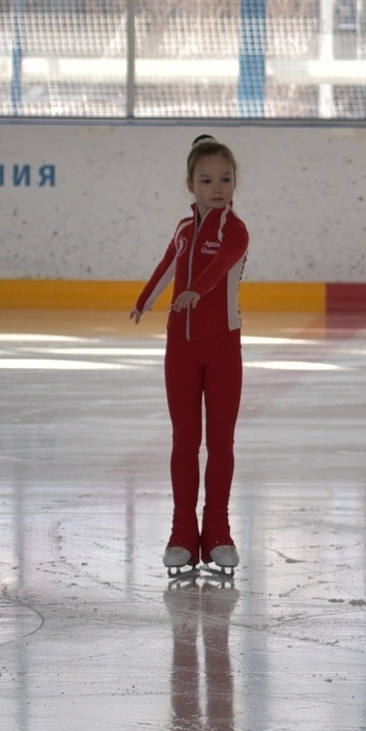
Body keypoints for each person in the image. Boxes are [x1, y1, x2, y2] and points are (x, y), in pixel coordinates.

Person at [131, 133, 250, 582]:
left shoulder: (235, 230)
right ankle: (183, 533)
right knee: (185, 442)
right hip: (179, 352)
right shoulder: (183, 231)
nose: (217, 187)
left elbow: (218, 269)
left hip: (223, 350)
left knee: (220, 444)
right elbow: (166, 266)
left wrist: (196, 290)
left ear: (234, 184)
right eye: (206, 180)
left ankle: (217, 531)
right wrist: (145, 300)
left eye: (225, 178)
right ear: (190, 185)